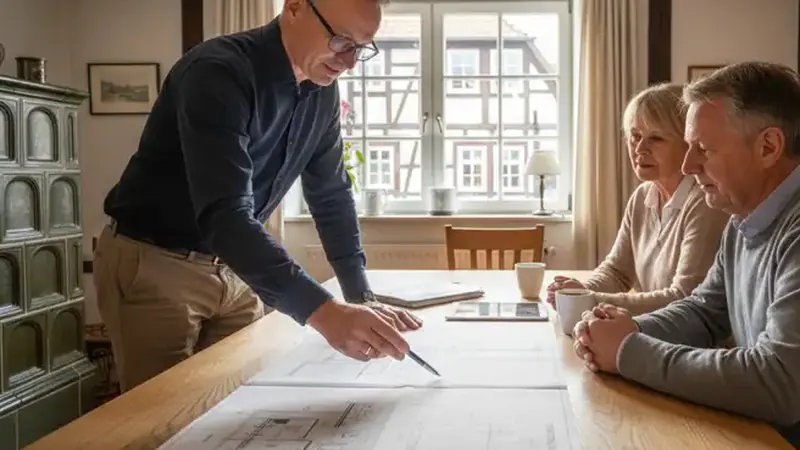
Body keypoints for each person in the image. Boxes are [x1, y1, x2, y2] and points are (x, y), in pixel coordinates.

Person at [93, 0, 422, 393]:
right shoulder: (217, 72)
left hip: (238, 269)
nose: (349, 62)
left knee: (237, 408)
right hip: (158, 264)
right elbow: (225, 215)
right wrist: (325, 313)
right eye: (340, 41)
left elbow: (331, 194)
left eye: (362, 48)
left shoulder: (322, 94)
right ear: (295, 7)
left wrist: (359, 295)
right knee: (160, 418)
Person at [573, 61, 800, 446]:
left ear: (768, 147)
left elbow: (779, 383)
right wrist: (628, 330)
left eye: (704, 149)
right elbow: (704, 311)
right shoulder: (742, 219)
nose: (687, 164)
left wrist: (628, 350)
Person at [546, 83, 729, 316]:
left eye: (656, 138)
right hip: (655, 335)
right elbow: (617, 272)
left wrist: (591, 300)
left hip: (692, 345)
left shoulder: (705, 202)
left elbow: (684, 297)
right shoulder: (643, 196)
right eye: (635, 136)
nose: (639, 148)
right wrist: (581, 290)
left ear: (688, 142)